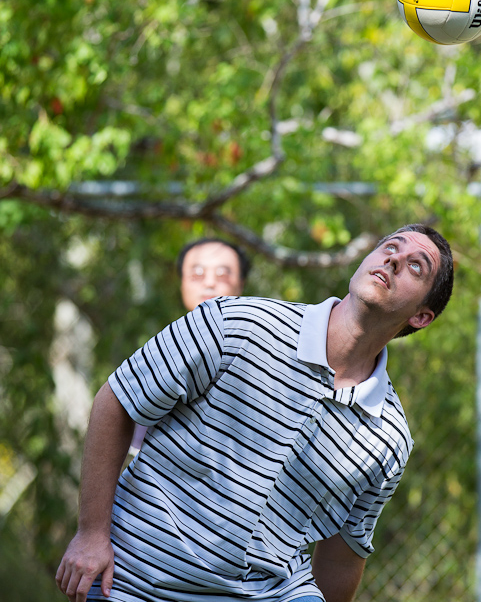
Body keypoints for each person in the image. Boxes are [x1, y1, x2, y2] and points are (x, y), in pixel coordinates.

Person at [56, 223, 454, 602]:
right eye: (389, 247)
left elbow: (342, 554)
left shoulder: (389, 436)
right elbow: (118, 401)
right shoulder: (238, 323)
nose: (394, 260)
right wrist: (92, 534)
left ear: (421, 316)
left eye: (416, 266)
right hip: (136, 579)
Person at [129, 237, 252, 453]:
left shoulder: (260, 353)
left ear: (241, 284)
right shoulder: (160, 353)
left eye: (222, 274)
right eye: (197, 275)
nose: (209, 283)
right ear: (182, 283)